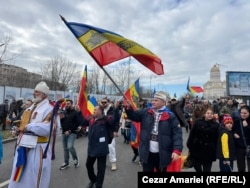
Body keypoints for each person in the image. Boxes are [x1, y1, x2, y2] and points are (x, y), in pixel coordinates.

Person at [8, 81, 55, 188]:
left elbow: (49, 129)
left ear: (43, 95)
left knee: (33, 179)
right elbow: (22, 124)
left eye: (36, 92)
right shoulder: (29, 108)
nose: (34, 94)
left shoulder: (49, 109)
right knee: (18, 178)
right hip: (22, 148)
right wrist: (17, 129)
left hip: (37, 149)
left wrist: (29, 126)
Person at [125, 91, 183, 172]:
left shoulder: (170, 116)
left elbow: (177, 134)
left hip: (162, 153)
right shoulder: (146, 111)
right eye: (153, 100)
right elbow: (134, 116)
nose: (153, 102)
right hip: (147, 152)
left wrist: (177, 150)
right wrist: (129, 109)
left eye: (156, 100)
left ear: (163, 102)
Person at [83, 102, 120, 188]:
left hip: (102, 149)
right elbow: (82, 121)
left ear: (101, 111)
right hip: (91, 148)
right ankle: (93, 180)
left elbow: (115, 120)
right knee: (88, 165)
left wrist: (115, 108)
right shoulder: (91, 119)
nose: (94, 111)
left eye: (95, 110)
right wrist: (78, 111)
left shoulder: (106, 119)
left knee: (101, 169)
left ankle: (98, 185)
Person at [187, 107, 220, 172]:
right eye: (208, 113)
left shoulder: (216, 125)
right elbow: (192, 134)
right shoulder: (197, 122)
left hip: (209, 150)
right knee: (197, 167)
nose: (209, 115)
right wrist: (189, 145)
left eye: (211, 113)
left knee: (207, 169)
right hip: (196, 148)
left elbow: (217, 138)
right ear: (204, 114)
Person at [59, 99, 83, 170]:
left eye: (68, 104)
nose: (66, 105)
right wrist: (61, 119)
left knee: (70, 147)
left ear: (72, 104)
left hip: (72, 133)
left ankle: (75, 159)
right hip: (64, 133)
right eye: (66, 104)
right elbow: (62, 123)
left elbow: (77, 123)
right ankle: (66, 163)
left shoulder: (75, 113)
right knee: (65, 149)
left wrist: (69, 131)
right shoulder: (64, 112)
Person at [100, 97, 120, 171]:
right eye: (102, 102)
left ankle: (113, 163)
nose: (103, 104)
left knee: (111, 147)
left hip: (110, 131)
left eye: (105, 102)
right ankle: (102, 163)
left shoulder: (112, 110)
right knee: (102, 148)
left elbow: (116, 121)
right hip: (102, 132)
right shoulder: (100, 110)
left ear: (108, 102)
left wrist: (115, 131)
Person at [232, 105, 250, 172]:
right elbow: (231, 130)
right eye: (241, 113)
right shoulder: (236, 121)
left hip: (249, 146)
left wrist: (247, 127)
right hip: (240, 146)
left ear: (249, 113)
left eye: (245, 113)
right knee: (241, 168)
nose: (243, 114)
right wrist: (234, 134)